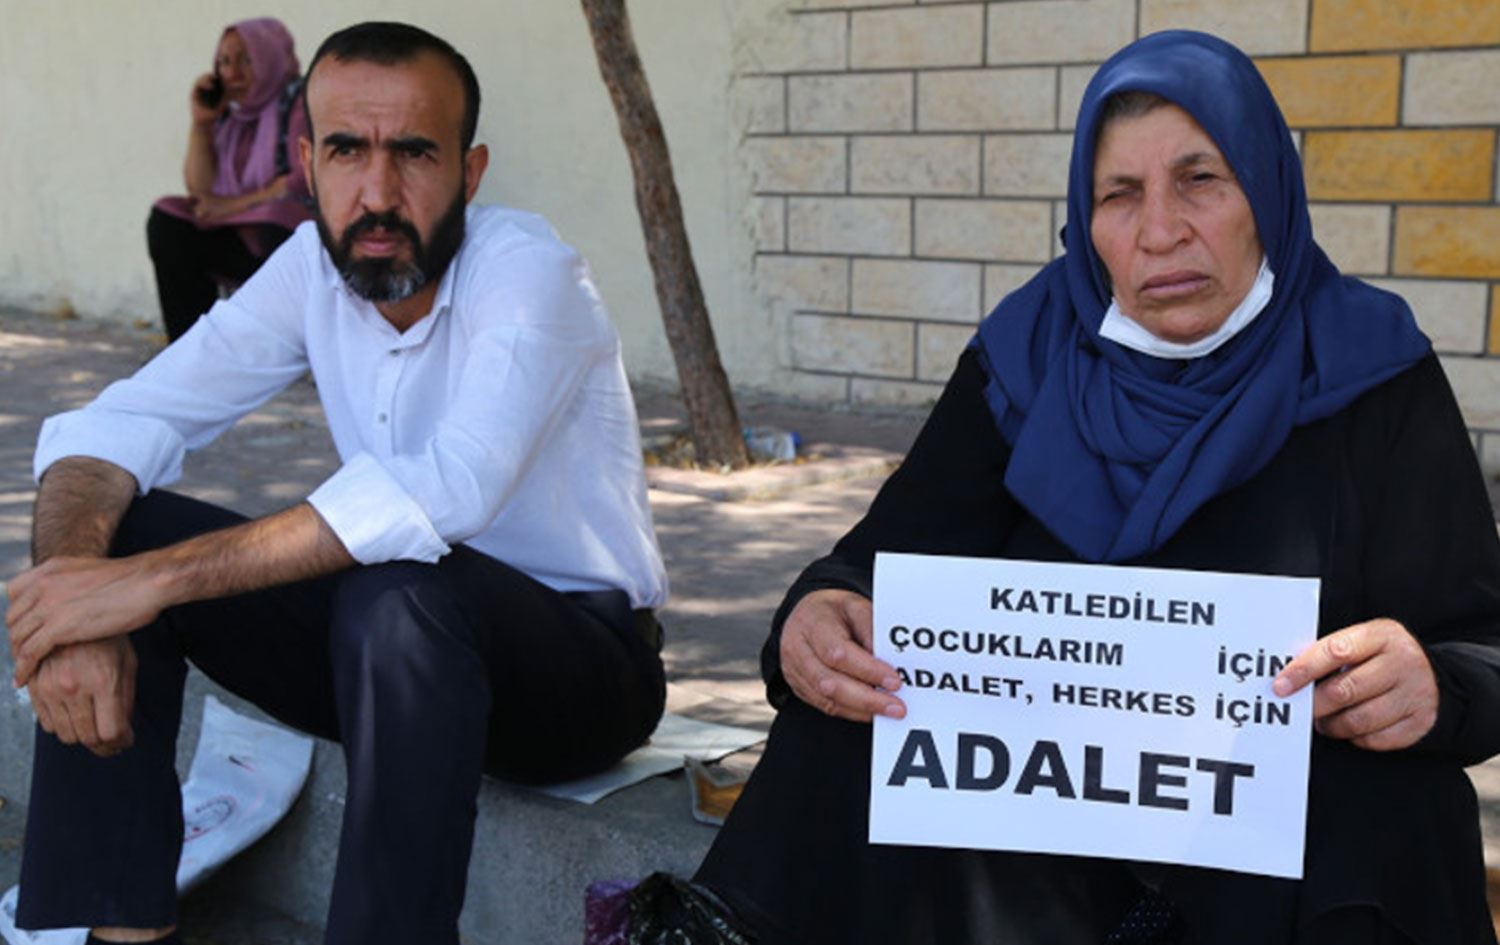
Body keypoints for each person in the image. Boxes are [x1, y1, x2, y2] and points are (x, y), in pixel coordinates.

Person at [693, 30, 1500, 945]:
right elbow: (875, 569)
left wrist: (1433, 683)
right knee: (846, 720)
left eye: (1200, 179)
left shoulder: (1370, 369)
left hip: (1270, 863)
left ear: (1267, 191)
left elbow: (1481, 644)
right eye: (1119, 194)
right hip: (1026, 859)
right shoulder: (1027, 357)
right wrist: (822, 611)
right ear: (1086, 220)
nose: (1160, 230)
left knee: (1405, 805)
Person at [6, 21, 667, 945]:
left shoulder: (529, 272)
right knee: (121, 530)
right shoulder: (309, 269)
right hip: (390, 659)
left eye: (415, 153)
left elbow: (448, 489)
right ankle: (125, 935)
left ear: (471, 172)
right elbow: (111, 427)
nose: (379, 193)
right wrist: (74, 598)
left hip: (577, 671)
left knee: (392, 588)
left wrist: (142, 585)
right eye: (349, 151)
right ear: (307, 163)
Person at [147, 17, 313, 341]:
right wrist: (201, 124)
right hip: (238, 234)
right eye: (224, 62)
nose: (233, 73)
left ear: (270, 58)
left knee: (276, 215)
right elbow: (200, 189)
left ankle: (287, 340)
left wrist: (232, 206)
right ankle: (190, 346)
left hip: (289, 244)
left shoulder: (301, 101)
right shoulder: (230, 112)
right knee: (168, 219)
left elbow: (303, 177)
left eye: (246, 60)